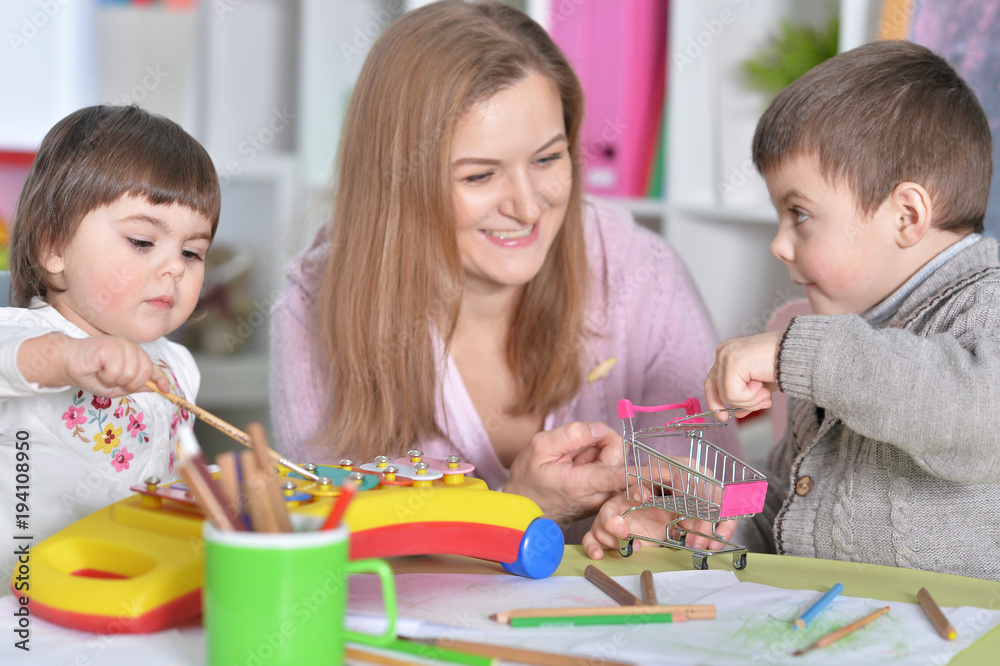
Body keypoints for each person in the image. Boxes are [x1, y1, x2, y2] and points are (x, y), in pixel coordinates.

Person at [269, 0, 737, 538]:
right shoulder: (314, 311)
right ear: (397, 184)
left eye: (546, 159)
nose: (529, 207)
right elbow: (334, 560)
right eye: (479, 176)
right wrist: (513, 509)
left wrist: (678, 527)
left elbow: (723, 519)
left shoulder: (638, 273)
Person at [689, 40, 998, 581]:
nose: (780, 246)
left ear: (906, 215)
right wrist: (720, 531)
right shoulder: (836, 336)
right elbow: (786, 512)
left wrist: (797, 354)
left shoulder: (985, 302)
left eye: (800, 214)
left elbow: (976, 417)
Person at [0, 105, 220, 583]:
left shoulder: (178, 366)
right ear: (52, 247)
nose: (175, 268)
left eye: (191, 252)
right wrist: (69, 358)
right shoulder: (20, 334)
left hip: (133, 589)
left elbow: (179, 474)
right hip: (22, 610)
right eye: (142, 241)